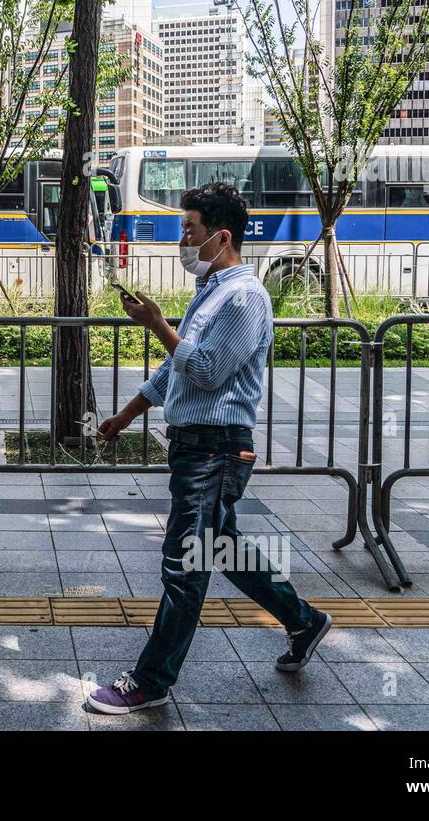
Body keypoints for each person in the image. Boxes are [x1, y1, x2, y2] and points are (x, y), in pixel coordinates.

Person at [86, 182, 331, 715]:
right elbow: (177, 368)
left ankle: (151, 681)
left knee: (184, 567)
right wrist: (125, 416)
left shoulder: (244, 298)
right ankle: (305, 621)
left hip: (217, 450)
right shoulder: (212, 291)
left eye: (190, 231)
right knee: (221, 549)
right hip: (197, 446)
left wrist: (157, 325)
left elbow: (204, 369)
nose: (183, 241)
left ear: (222, 237)